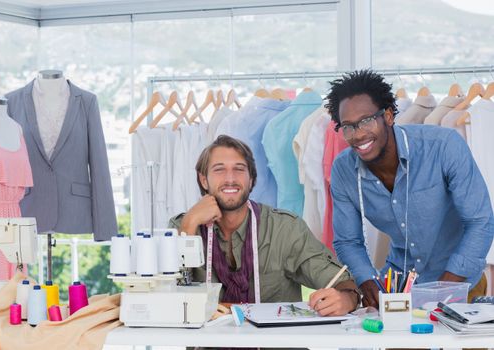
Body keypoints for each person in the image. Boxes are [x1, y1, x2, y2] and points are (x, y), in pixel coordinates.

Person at [325, 69, 494, 308]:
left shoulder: (443, 146)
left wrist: (446, 288)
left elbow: (480, 221)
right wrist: (367, 280)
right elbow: (348, 241)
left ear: (389, 116)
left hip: (459, 281)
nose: (358, 134)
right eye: (348, 127)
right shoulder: (344, 170)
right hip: (399, 287)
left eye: (366, 121)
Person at [169, 135, 359, 316]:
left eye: (239, 169)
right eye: (219, 169)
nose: (230, 178)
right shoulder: (182, 227)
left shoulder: (284, 229)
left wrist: (345, 299)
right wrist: (189, 225)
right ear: (204, 180)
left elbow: (344, 284)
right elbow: (168, 301)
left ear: (251, 179)